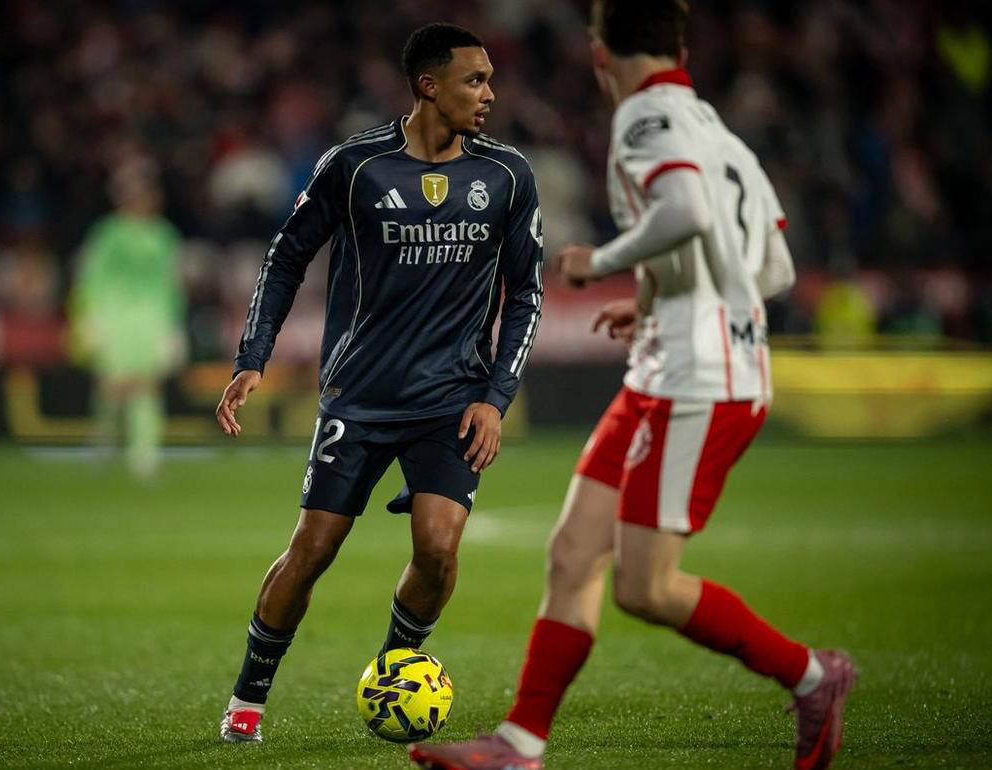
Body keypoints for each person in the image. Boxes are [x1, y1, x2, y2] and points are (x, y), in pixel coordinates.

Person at [409, 2, 855, 769]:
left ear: (598, 51)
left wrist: (603, 261)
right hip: (669, 369)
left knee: (645, 588)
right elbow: (775, 268)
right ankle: (519, 745)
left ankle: (813, 676)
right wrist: (658, 303)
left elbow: (684, 211)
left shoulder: (644, 118)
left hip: (699, 382)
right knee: (573, 551)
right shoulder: (716, 131)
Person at [215, 22, 545, 744]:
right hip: (359, 398)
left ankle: (398, 669)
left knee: (439, 549)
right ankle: (247, 699)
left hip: (452, 400)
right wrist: (253, 356)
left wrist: (495, 399)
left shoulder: (507, 175)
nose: (489, 94)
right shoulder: (356, 166)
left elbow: (526, 293)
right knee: (313, 550)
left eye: (490, 80)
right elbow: (285, 258)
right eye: (475, 80)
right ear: (429, 85)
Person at [68, 159, 187, 477]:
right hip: (114, 316)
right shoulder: (108, 234)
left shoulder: (164, 235)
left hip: (151, 318)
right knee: (112, 385)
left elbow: (172, 283)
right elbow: (90, 278)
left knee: (147, 385)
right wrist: (88, 318)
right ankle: (104, 440)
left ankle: (144, 454)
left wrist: (173, 326)